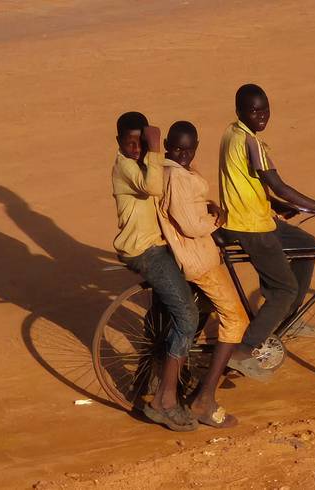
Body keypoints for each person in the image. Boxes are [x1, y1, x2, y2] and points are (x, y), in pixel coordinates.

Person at [218, 84, 315, 374]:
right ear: (240, 112)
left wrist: (275, 205)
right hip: (250, 226)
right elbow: (279, 185)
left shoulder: (232, 133)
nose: (261, 115)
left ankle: (289, 319)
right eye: (254, 111)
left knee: (307, 244)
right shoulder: (250, 142)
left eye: (265, 109)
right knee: (284, 289)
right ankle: (244, 350)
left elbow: (244, 182)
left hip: (255, 215)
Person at [158, 121, 249, 428]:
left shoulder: (175, 171)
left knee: (210, 311)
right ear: (168, 145)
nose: (183, 154)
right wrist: (217, 218)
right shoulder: (176, 177)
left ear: (195, 147)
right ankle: (204, 399)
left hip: (200, 254)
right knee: (236, 319)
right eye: (178, 149)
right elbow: (191, 226)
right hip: (200, 260)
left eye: (189, 149)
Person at [112, 111, 199, 432]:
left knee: (171, 312)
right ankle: (165, 400)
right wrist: (155, 145)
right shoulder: (126, 167)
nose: (136, 148)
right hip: (145, 251)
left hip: (159, 245)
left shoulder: (141, 162)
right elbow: (154, 187)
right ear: (118, 142)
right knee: (187, 317)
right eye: (130, 142)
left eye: (140, 142)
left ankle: (150, 381)